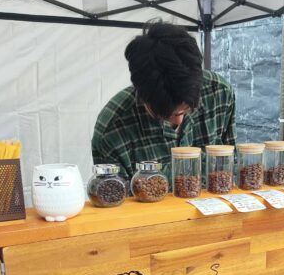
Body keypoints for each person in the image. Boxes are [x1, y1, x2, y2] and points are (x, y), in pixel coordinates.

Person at [92, 21, 236, 181]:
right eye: (165, 115)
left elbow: (233, 167)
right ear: (141, 94)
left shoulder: (220, 94)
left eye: (186, 109)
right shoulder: (112, 130)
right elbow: (113, 194)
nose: (178, 120)